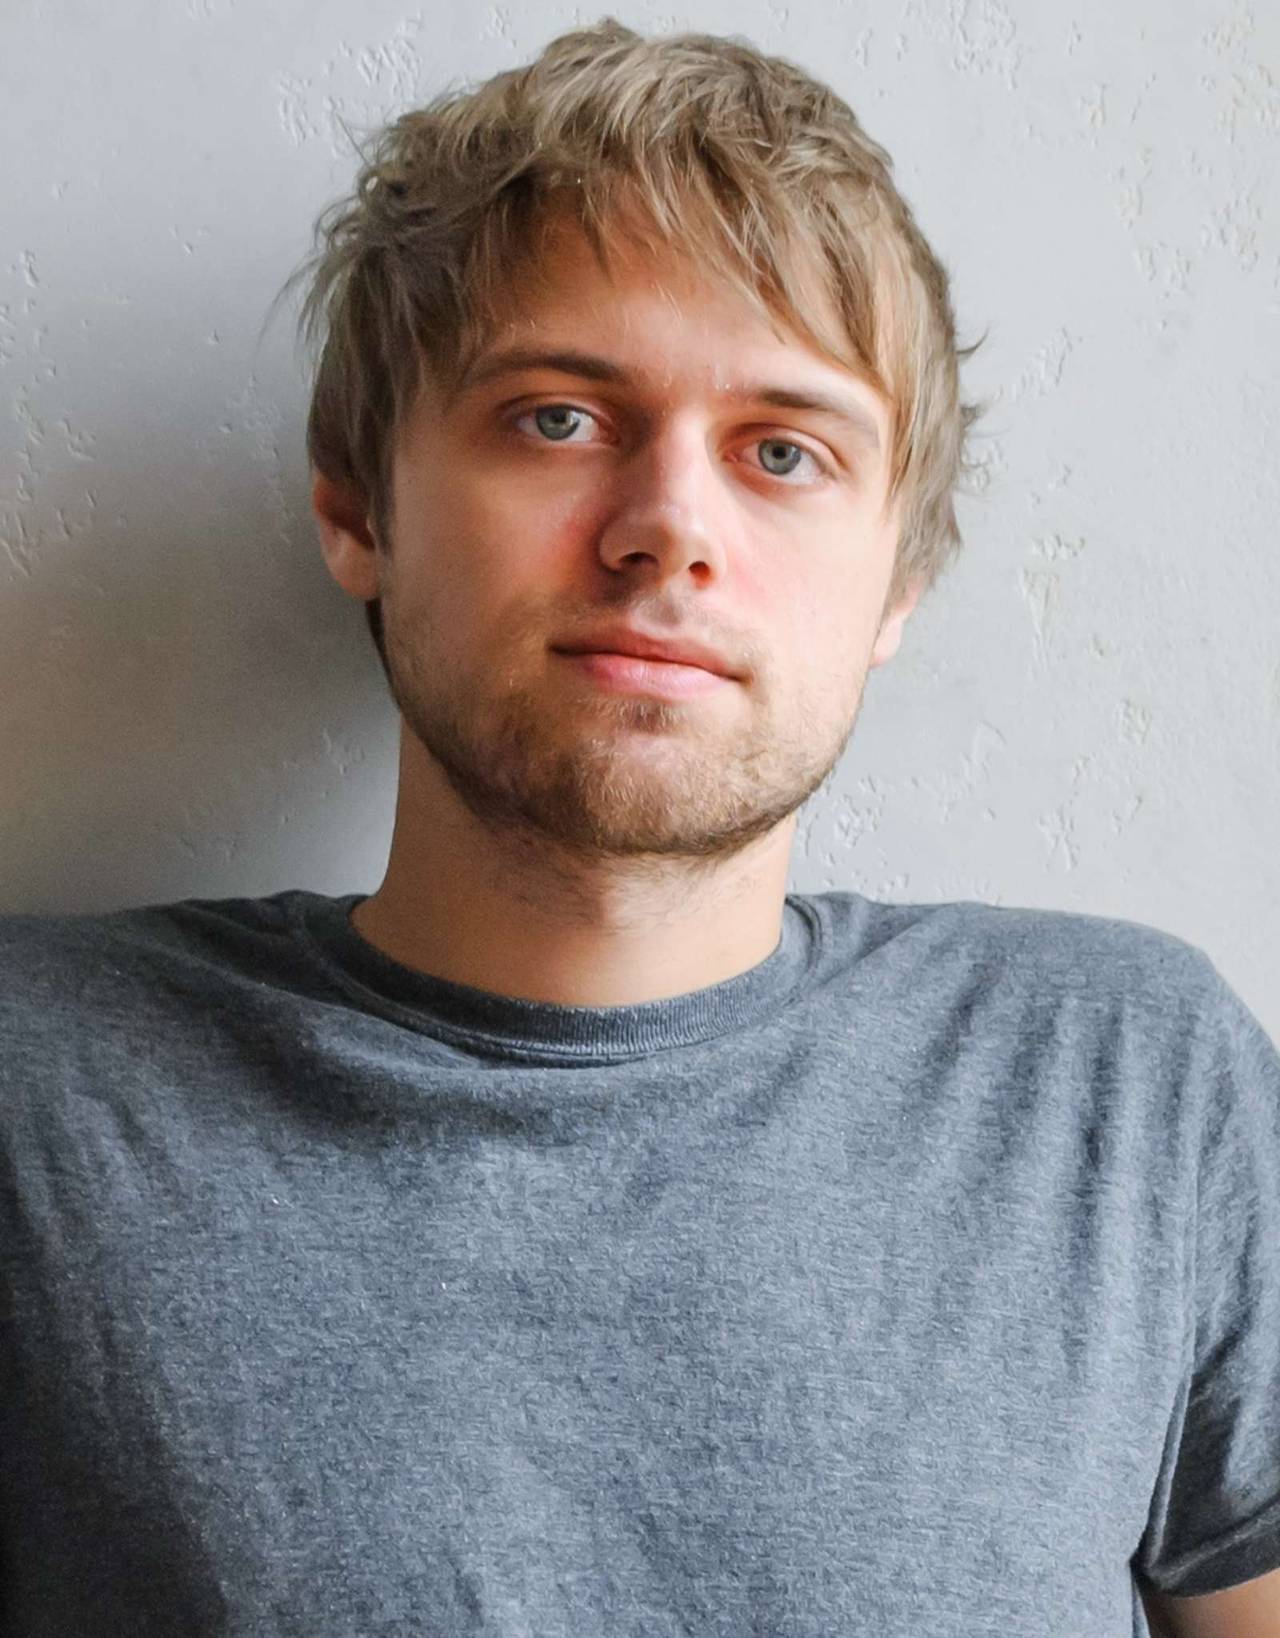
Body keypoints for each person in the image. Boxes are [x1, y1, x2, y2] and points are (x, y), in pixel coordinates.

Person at [1, 17, 1276, 1637]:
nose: (670, 527)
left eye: (784, 451)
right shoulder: (42, 1095)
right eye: (557, 418)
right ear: (355, 506)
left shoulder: (1129, 1091)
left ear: (898, 582)